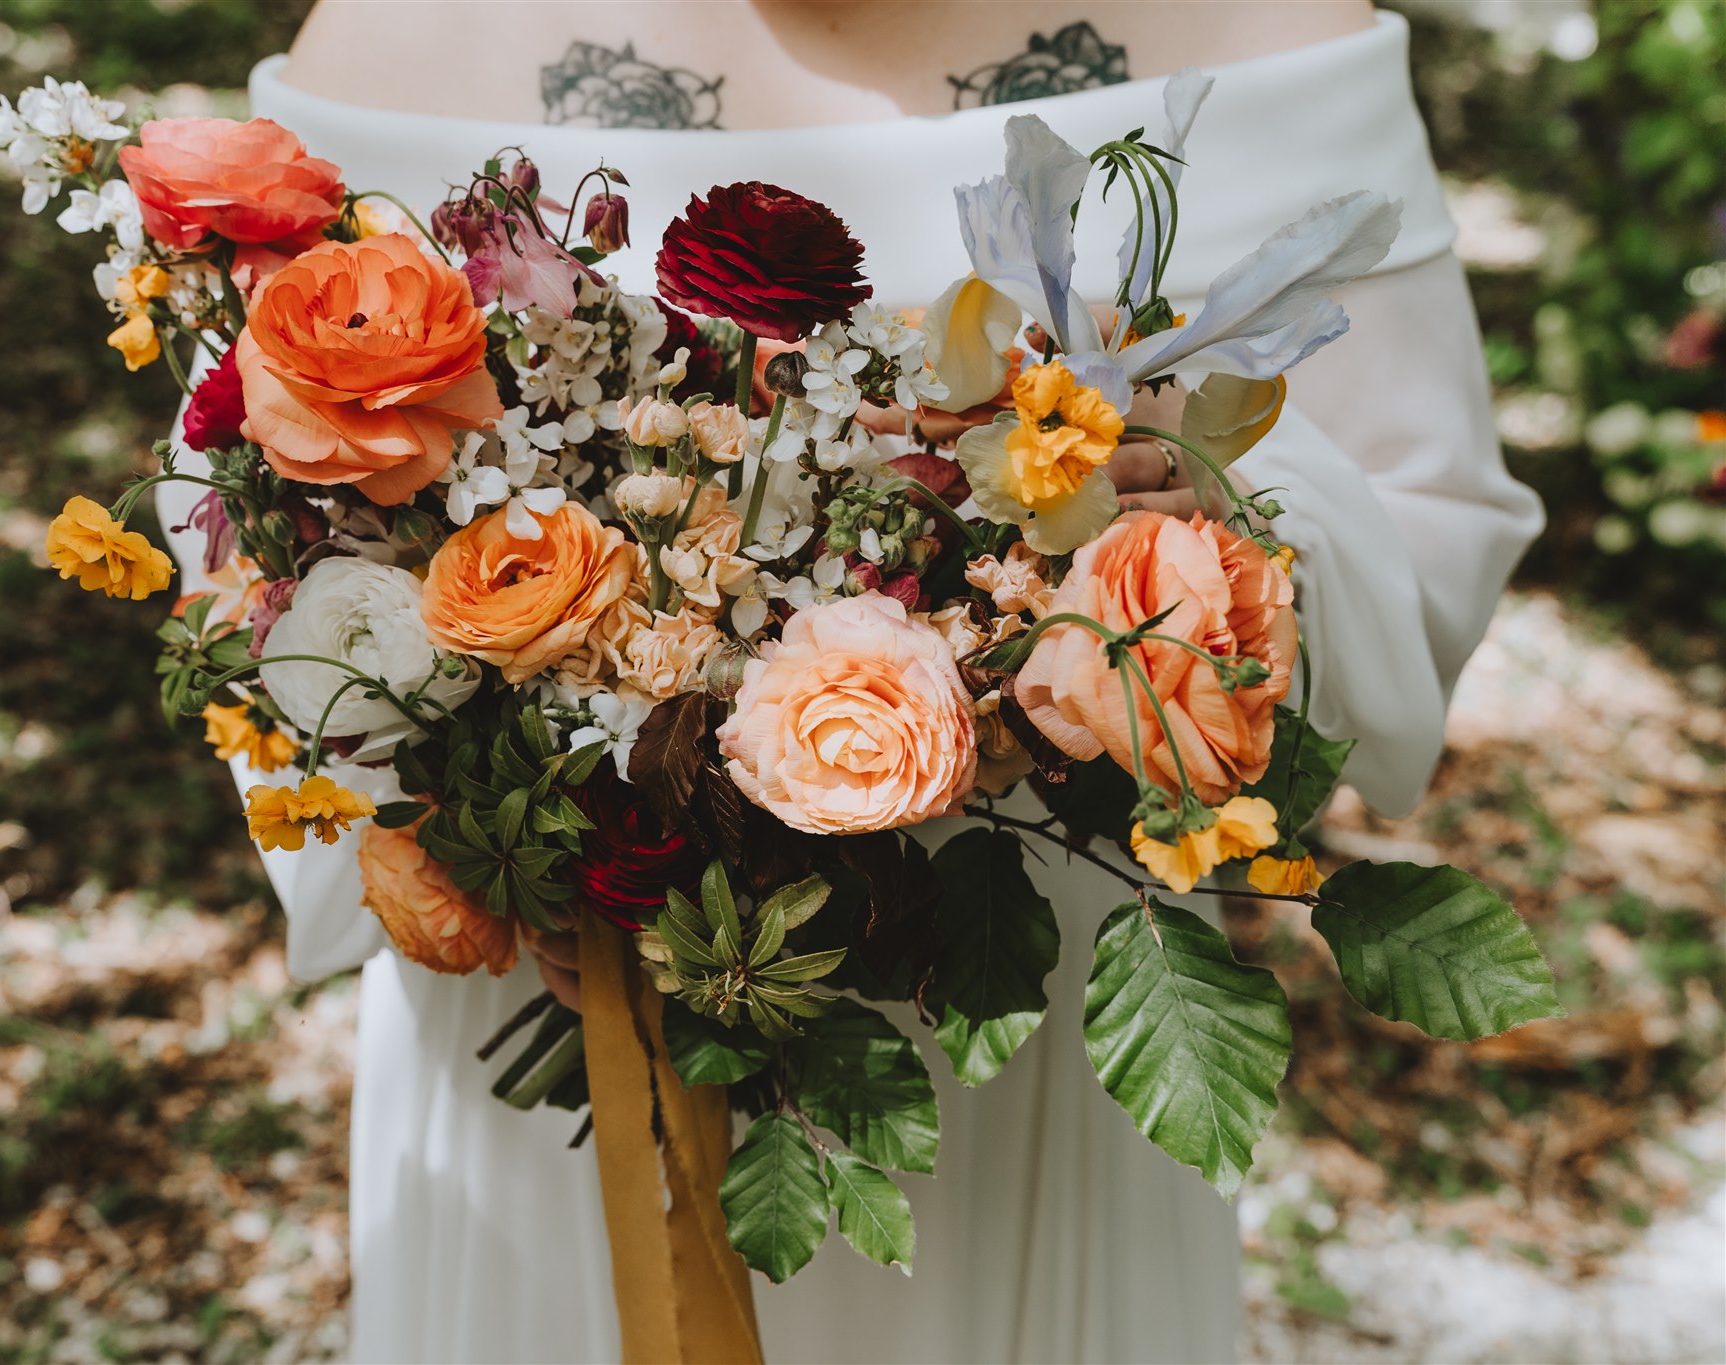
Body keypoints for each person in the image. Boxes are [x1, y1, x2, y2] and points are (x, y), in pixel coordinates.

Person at [157, 4, 1544, 1360]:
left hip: (1023, 1013)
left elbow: (1432, 522)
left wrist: (1193, 499)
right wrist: (469, 843)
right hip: (552, 999)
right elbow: (255, 523)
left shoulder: (1261, 26)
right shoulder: (401, 32)